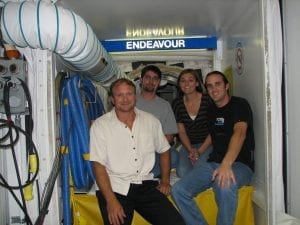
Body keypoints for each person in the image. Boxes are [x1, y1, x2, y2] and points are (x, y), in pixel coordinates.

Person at [89, 78, 185, 225]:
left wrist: (165, 181)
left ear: (135, 96)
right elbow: (98, 166)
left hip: (145, 185)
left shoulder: (151, 121)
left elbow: (165, 150)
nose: (125, 99)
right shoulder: (100, 126)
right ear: (112, 99)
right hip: (115, 187)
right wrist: (111, 201)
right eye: (119, 95)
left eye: (129, 94)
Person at [171, 71, 255, 225]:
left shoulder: (240, 104)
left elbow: (240, 133)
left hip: (239, 164)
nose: (213, 89)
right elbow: (212, 137)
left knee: (224, 183)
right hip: (214, 162)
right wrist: (199, 153)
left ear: (227, 86)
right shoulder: (211, 110)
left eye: (218, 84)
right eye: (209, 86)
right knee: (178, 190)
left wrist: (226, 164)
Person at [136, 64, 178, 177]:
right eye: (147, 77)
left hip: (156, 149)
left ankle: (147, 174)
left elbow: (169, 136)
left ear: (158, 83)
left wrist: (151, 147)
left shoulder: (165, 106)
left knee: (174, 157)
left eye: (155, 78)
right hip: (134, 148)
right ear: (141, 80)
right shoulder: (130, 102)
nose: (151, 81)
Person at [172, 68, 212, 178]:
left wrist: (200, 151)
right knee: (182, 172)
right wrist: (191, 150)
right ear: (179, 84)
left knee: (200, 168)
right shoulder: (177, 103)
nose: (186, 83)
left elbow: (215, 130)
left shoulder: (208, 100)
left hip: (209, 143)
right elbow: (181, 131)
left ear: (197, 83)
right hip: (188, 145)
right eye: (183, 80)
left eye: (190, 80)